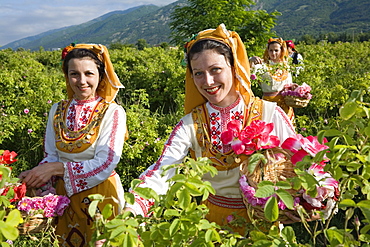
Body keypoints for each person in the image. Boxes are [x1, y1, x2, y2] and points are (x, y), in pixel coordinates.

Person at [124, 24, 296, 235]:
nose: (208, 81)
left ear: (233, 67)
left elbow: (301, 162)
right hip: (211, 229)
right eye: (198, 73)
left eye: (216, 70)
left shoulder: (269, 113)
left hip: (263, 226)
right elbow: (163, 170)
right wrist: (131, 212)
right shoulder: (191, 123)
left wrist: (314, 199)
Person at [19, 43, 127, 246]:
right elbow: (51, 155)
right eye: (74, 74)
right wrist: (37, 175)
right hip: (65, 197)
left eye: (89, 73)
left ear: (100, 76)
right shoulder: (57, 109)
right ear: (67, 77)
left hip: (101, 195)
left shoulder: (112, 112)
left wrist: (56, 168)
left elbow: (106, 162)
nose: (82, 81)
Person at [249, 38, 295, 121]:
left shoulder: (286, 67)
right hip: (268, 103)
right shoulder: (262, 66)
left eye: (276, 50)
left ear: (281, 51)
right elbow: (247, 75)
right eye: (271, 50)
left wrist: (295, 88)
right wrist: (251, 61)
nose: (273, 53)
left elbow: (289, 84)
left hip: (285, 103)